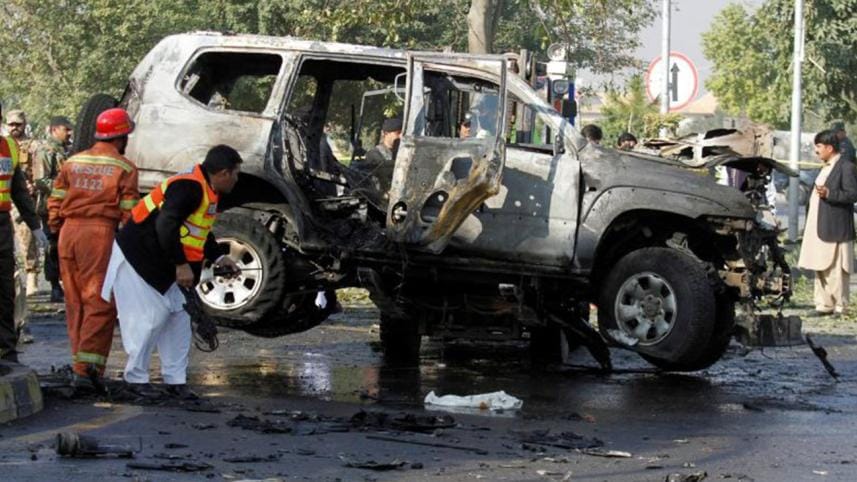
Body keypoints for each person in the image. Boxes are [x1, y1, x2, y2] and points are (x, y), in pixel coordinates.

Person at [102, 145, 242, 399]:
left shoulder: (206, 189)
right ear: (223, 173)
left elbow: (196, 230)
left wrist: (219, 256)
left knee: (179, 316)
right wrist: (181, 264)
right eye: (235, 174)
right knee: (150, 318)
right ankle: (135, 379)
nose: (237, 179)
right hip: (138, 257)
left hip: (161, 262)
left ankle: (175, 381)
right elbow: (166, 224)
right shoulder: (188, 188)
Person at [48, 108, 139, 387]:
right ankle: (86, 369)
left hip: (68, 233)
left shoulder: (72, 162)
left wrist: (56, 230)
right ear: (121, 137)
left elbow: (55, 201)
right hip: (98, 235)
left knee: (75, 300)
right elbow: (129, 212)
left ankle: (80, 363)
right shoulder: (124, 167)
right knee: (100, 300)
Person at [0, 103, 48, 363]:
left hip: (2, 225)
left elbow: (18, 189)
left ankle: (7, 350)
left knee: (6, 287)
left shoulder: (8, 147)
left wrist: (34, 224)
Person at [797, 130, 857, 316]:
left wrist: (830, 194)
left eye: (819, 147)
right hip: (819, 226)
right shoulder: (825, 167)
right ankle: (824, 305)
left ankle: (840, 306)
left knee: (836, 269)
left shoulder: (845, 166)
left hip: (835, 227)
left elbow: (852, 194)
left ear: (830, 148)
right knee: (820, 266)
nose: (816, 151)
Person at [34, 116, 74, 302]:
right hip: (51, 206)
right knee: (53, 246)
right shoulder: (45, 150)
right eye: (66, 129)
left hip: (68, 206)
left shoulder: (68, 150)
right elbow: (41, 180)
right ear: (54, 130)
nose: (70, 133)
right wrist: (65, 191)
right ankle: (54, 286)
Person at [4, 110, 40, 296]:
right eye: (11, 124)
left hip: (21, 199)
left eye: (17, 124)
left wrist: (33, 186)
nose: (14, 128)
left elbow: (39, 171)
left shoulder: (32, 146)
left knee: (26, 239)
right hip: (5, 202)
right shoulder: (7, 144)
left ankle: (32, 274)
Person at [350, 117, 402, 204]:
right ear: (386, 133)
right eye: (398, 133)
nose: (401, 136)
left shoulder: (401, 153)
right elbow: (371, 184)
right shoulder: (374, 155)